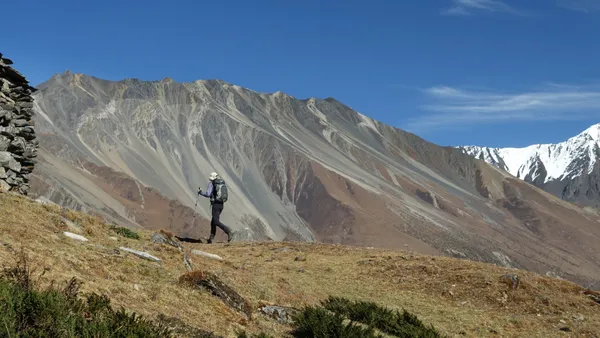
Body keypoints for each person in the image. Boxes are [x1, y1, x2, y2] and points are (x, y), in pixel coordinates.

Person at [197, 172, 232, 243]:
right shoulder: (221, 183)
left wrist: (200, 192)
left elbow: (208, 194)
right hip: (221, 204)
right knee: (213, 221)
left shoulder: (212, 184)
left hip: (215, 204)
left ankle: (228, 231)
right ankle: (211, 239)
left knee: (215, 221)